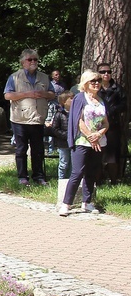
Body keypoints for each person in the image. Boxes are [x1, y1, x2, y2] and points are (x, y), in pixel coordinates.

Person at [59, 70, 108, 216]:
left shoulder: (100, 100)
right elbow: (77, 120)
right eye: (93, 81)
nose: (96, 84)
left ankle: (87, 202)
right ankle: (66, 204)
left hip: (99, 141)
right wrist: (90, 136)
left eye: (98, 81)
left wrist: (99, 134)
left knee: (92, 172)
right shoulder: (80, 98)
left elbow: (106, 122)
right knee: (77, 172)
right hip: (82, 140)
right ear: (85, 83)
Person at [4, 49, 55, 186]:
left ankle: (38, 176)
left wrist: (43, 93)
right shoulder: (14, 77)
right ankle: (22, 177)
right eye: (30, 59)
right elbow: (7, 95)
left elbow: (52, 94)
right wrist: (27, 94)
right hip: (20, 119)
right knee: (21, 149)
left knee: (38, 149)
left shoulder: (44, 77)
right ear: (22, 62)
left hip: (38, 119)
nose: (33, 62)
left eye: (35, 60)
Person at [97, 62, 126, 184]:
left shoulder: (118, 88)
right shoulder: (95, 88)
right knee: (97, 153)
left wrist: (112, 110)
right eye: (103, 72)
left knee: (113, 154)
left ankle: (114, 180)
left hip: (113, 126)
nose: (106, 74)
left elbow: (124, 105)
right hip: (97, 126)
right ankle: (97, 180)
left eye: (108, 72)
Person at [45, 91, 73, 180]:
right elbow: (55, 129)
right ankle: (61, 181)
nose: (73, 100)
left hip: (74, 142)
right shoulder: (59, 114)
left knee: (72, 164)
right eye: (71, 99)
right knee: (64, 163)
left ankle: (70, 182)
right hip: (63, 143)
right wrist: (66, 135)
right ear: (64, 102)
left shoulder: (76, 113)